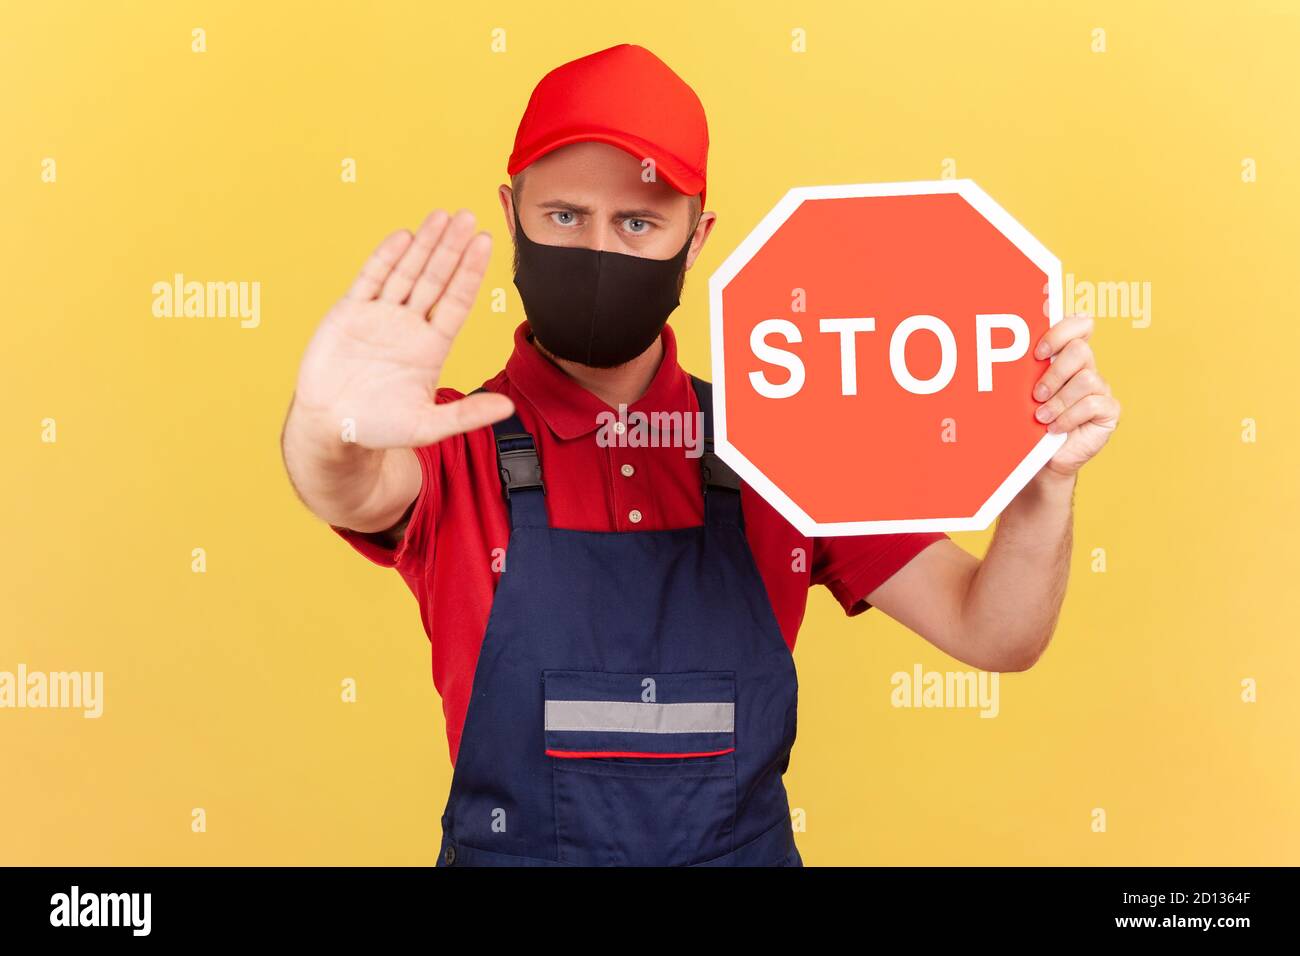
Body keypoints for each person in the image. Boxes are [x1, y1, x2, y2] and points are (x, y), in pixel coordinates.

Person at [280, 43, 1120, 867]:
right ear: (511, 215)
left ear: (697, 238)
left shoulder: (790, 440)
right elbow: (352, 485)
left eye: (638, 222)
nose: (600, 248)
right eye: (564, 216)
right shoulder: (448, 439)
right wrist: (328, 428)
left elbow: (993, 632)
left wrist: (1041, 487)